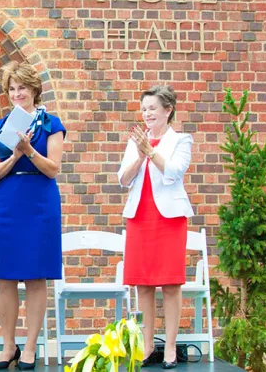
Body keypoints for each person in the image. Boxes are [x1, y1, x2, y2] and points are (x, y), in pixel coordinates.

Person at [0, 61, 65, 370]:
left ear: (34, 90)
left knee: (35, 276)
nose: (17, 94)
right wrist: (15, 155)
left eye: (23, 88)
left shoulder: (51, 124)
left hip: (39, 202)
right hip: (8, 202)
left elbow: (53, 169)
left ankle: (30, 346)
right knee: (4, 277)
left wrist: (29, 151)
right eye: (12, 89)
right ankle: (8, 346)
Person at [117, 85, 193, 370]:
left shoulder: (181, 140)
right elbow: (123, 179)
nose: (147, 113)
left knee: (170, 284)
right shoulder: (136, 142)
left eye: (152, 108)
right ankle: (147, 347)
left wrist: (150, 151)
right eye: (144, 108)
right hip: (140, 215)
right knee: (144, 285)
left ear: (168, 110)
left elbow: (173, 172)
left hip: (169, 218)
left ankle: (170, 347)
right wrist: (139, 154)